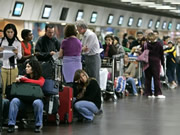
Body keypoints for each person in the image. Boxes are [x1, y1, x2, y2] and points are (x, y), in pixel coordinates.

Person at [7, 59, 45, 133]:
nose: (26, 68)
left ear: (33, 68)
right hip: (23, 101)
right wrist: (20, 79)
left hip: (35, 100)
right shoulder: (23, 77)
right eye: (26, 66)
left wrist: (25, 80)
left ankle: (38, 125)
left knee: (38, 102)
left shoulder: (40, 78)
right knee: (14, 101)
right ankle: (11, 125)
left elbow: (40, 83)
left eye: (28, 67)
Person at [76, 20, 101, 85]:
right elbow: (82, 47)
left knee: (94, 77)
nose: (77, 29)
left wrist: (81, 49)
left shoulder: (90, 35)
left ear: (81, 28)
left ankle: (96, 94)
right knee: (88, 77)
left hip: (93, 58)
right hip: (87, 58)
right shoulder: (84, 36)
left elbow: (87, 50)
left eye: (77, 27)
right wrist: (82, 49)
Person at [0, 23, 22, 98]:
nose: (10, 34)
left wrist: (16, 53)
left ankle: (10, 104)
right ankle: (2, 105)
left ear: (14, 32)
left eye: (11, 32)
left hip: (13, 68)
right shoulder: (2, 41)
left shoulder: (18, 42)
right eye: (8, 32)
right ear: (5, 32)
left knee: (11, 89)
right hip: (3, 67)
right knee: (2, 89)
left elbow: (20, 57)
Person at [143, 32, 165, 98]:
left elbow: (142, 52)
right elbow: (161, 54)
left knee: (148, 78)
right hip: (156, 62)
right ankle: (158, 93)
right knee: (156, 78)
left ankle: (148, 93)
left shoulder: (145, 44)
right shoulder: (159, 44)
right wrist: (163, 64)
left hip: (147, 63)